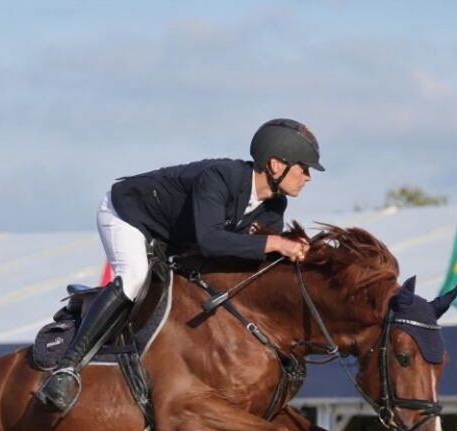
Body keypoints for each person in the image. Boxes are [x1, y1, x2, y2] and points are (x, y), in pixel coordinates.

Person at [35, 118, 324, 413]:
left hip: (175, 241)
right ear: (276, 164)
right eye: (304, 168)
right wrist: (276, 244)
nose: (308, 177)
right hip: (129, 216)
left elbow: (247, 259)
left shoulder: (275, 206)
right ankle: (67, 368)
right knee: (134, 278)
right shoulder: (221, 177)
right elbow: (211, 240)